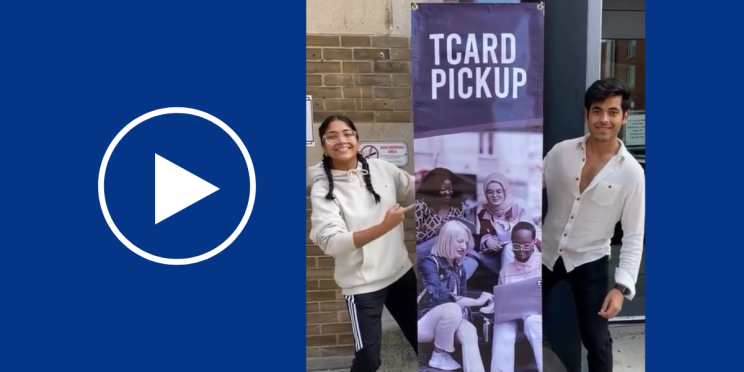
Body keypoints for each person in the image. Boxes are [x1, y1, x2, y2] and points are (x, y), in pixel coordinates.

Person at [542, 78, 645, 372]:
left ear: (625, 116)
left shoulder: (632, 174)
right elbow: (526, 190)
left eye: (613, 112)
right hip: (543, 255)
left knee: (597, 340)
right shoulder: (561, 152)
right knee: (518, 319)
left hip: (589, 261)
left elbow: (634, 235)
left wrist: (622, 287)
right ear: (586, 114)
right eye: (597, 111)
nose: (604, 119)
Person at [308, 115, 418, 372]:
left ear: (357, 138)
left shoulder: (383, 169)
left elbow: (417, 190)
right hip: (362, 286)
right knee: (369, 360)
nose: (341, 140)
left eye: (347, 133)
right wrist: (384, 227)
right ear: (324, 146)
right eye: (332, 136)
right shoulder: (324, 189)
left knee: (422, 339)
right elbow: (331, 242)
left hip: (401, 273)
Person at [418, 220, 491, 372]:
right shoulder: (429, 263)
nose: (464, 247)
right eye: (459, 241)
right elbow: (440, 296)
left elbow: (462, 303)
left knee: (469, 330)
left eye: (466, 242)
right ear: (447, 239)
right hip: (424, 324)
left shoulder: (459, 269)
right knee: (452, 307)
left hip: (449, 322)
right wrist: (477, 301)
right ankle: (439, 354)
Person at [490, 222, 543, 372]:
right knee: (501, 327)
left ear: (534, 242)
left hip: (536, 314)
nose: (521, 250)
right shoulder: (505, 271)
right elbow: (502, 300)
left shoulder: (542, 263)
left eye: (526, 244)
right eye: (516, 245)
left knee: (533, 323)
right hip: (512, 314)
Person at [414, 168, 479, 278]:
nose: (448, 192)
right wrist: (437, 230)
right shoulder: (420, 205)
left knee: (474, 256)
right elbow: (412, 237)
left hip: (449, 250)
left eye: (450, 189)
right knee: (445, 237)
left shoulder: (458, 207)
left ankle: (454, 284)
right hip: (422, 252)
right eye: (443, 189)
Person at [476, 172, 532, 275]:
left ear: (505, 191)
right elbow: (484, 231)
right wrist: (488, 241)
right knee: (483, 255)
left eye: (498, 191)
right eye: (490, 192)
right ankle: (508, 274)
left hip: (522, 246)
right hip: (500, 248)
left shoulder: (519, 205)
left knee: (508, 249)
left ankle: (507, 281)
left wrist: (508, 231)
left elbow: (527, 230)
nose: (494, 196)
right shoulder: (486, 211)